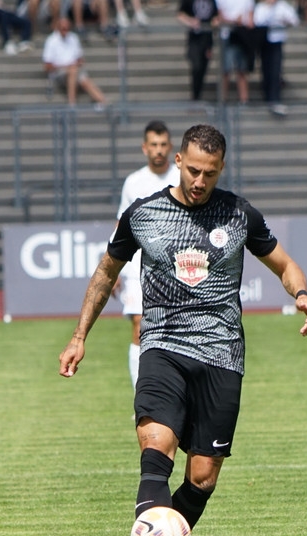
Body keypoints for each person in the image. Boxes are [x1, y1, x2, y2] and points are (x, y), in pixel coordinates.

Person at [58, 124, 307, 536]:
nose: (200, 181)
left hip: (222, 355)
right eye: (194, 169)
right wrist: (79, 337)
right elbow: (105, 272)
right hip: (162, 345)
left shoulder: (239, 213)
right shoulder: (143, 213)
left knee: (202, 477)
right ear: (178, 160)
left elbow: (285, 264)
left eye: (211, 173)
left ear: (222, 169)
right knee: (156, 443)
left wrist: (301, 295)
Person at [113, 120, 181, 391]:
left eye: (163, 144)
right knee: (140, 327)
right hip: (139, 265)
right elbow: (121, 225)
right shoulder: (134, 182)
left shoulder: (181, 177)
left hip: (177, 267)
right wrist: (114, 267)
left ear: (171, 147)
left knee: (175, 332)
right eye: (153, 145)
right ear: (144, 148)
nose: (159, 150)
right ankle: (140, 397)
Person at [42, 16, 108, 107]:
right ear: (58, 28)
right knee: (73, 71)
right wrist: (66, 67)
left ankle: (103, 102)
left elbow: (80, 59)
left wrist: (77, 64)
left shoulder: (74, 38)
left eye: (67, 29)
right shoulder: (51, 41)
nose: (65, 31)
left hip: (74, 69)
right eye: (63, 28)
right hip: (58, 72)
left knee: (84, 80)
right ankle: (72, 104)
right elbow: (47, 66)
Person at [253, 0, 299, 116]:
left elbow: (294, 20)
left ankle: (274, 98)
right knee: (266, 69)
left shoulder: (283, 6)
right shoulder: (261, 7)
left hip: (277, 42)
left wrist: (283, 21)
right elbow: (257, 21)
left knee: (275, 70)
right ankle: (267, 95)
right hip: (264, 42)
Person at [177, 0, 218, 100]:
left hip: (207, 40)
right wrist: (190, 21)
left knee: (203, 68)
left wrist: (214, 24)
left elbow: (216, 16)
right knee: (196, 66)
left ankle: (197, 95)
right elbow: (180, 14)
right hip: (194, 40)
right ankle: (195, 96)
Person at [217, 0, 256, 104]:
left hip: (243, 36)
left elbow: (251, 18)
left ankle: (244, 99)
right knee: (226, 70)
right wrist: (235, 21)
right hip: (228, 36)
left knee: (242, 69)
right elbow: (219, 17)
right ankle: (223, 99)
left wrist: (244, 23)